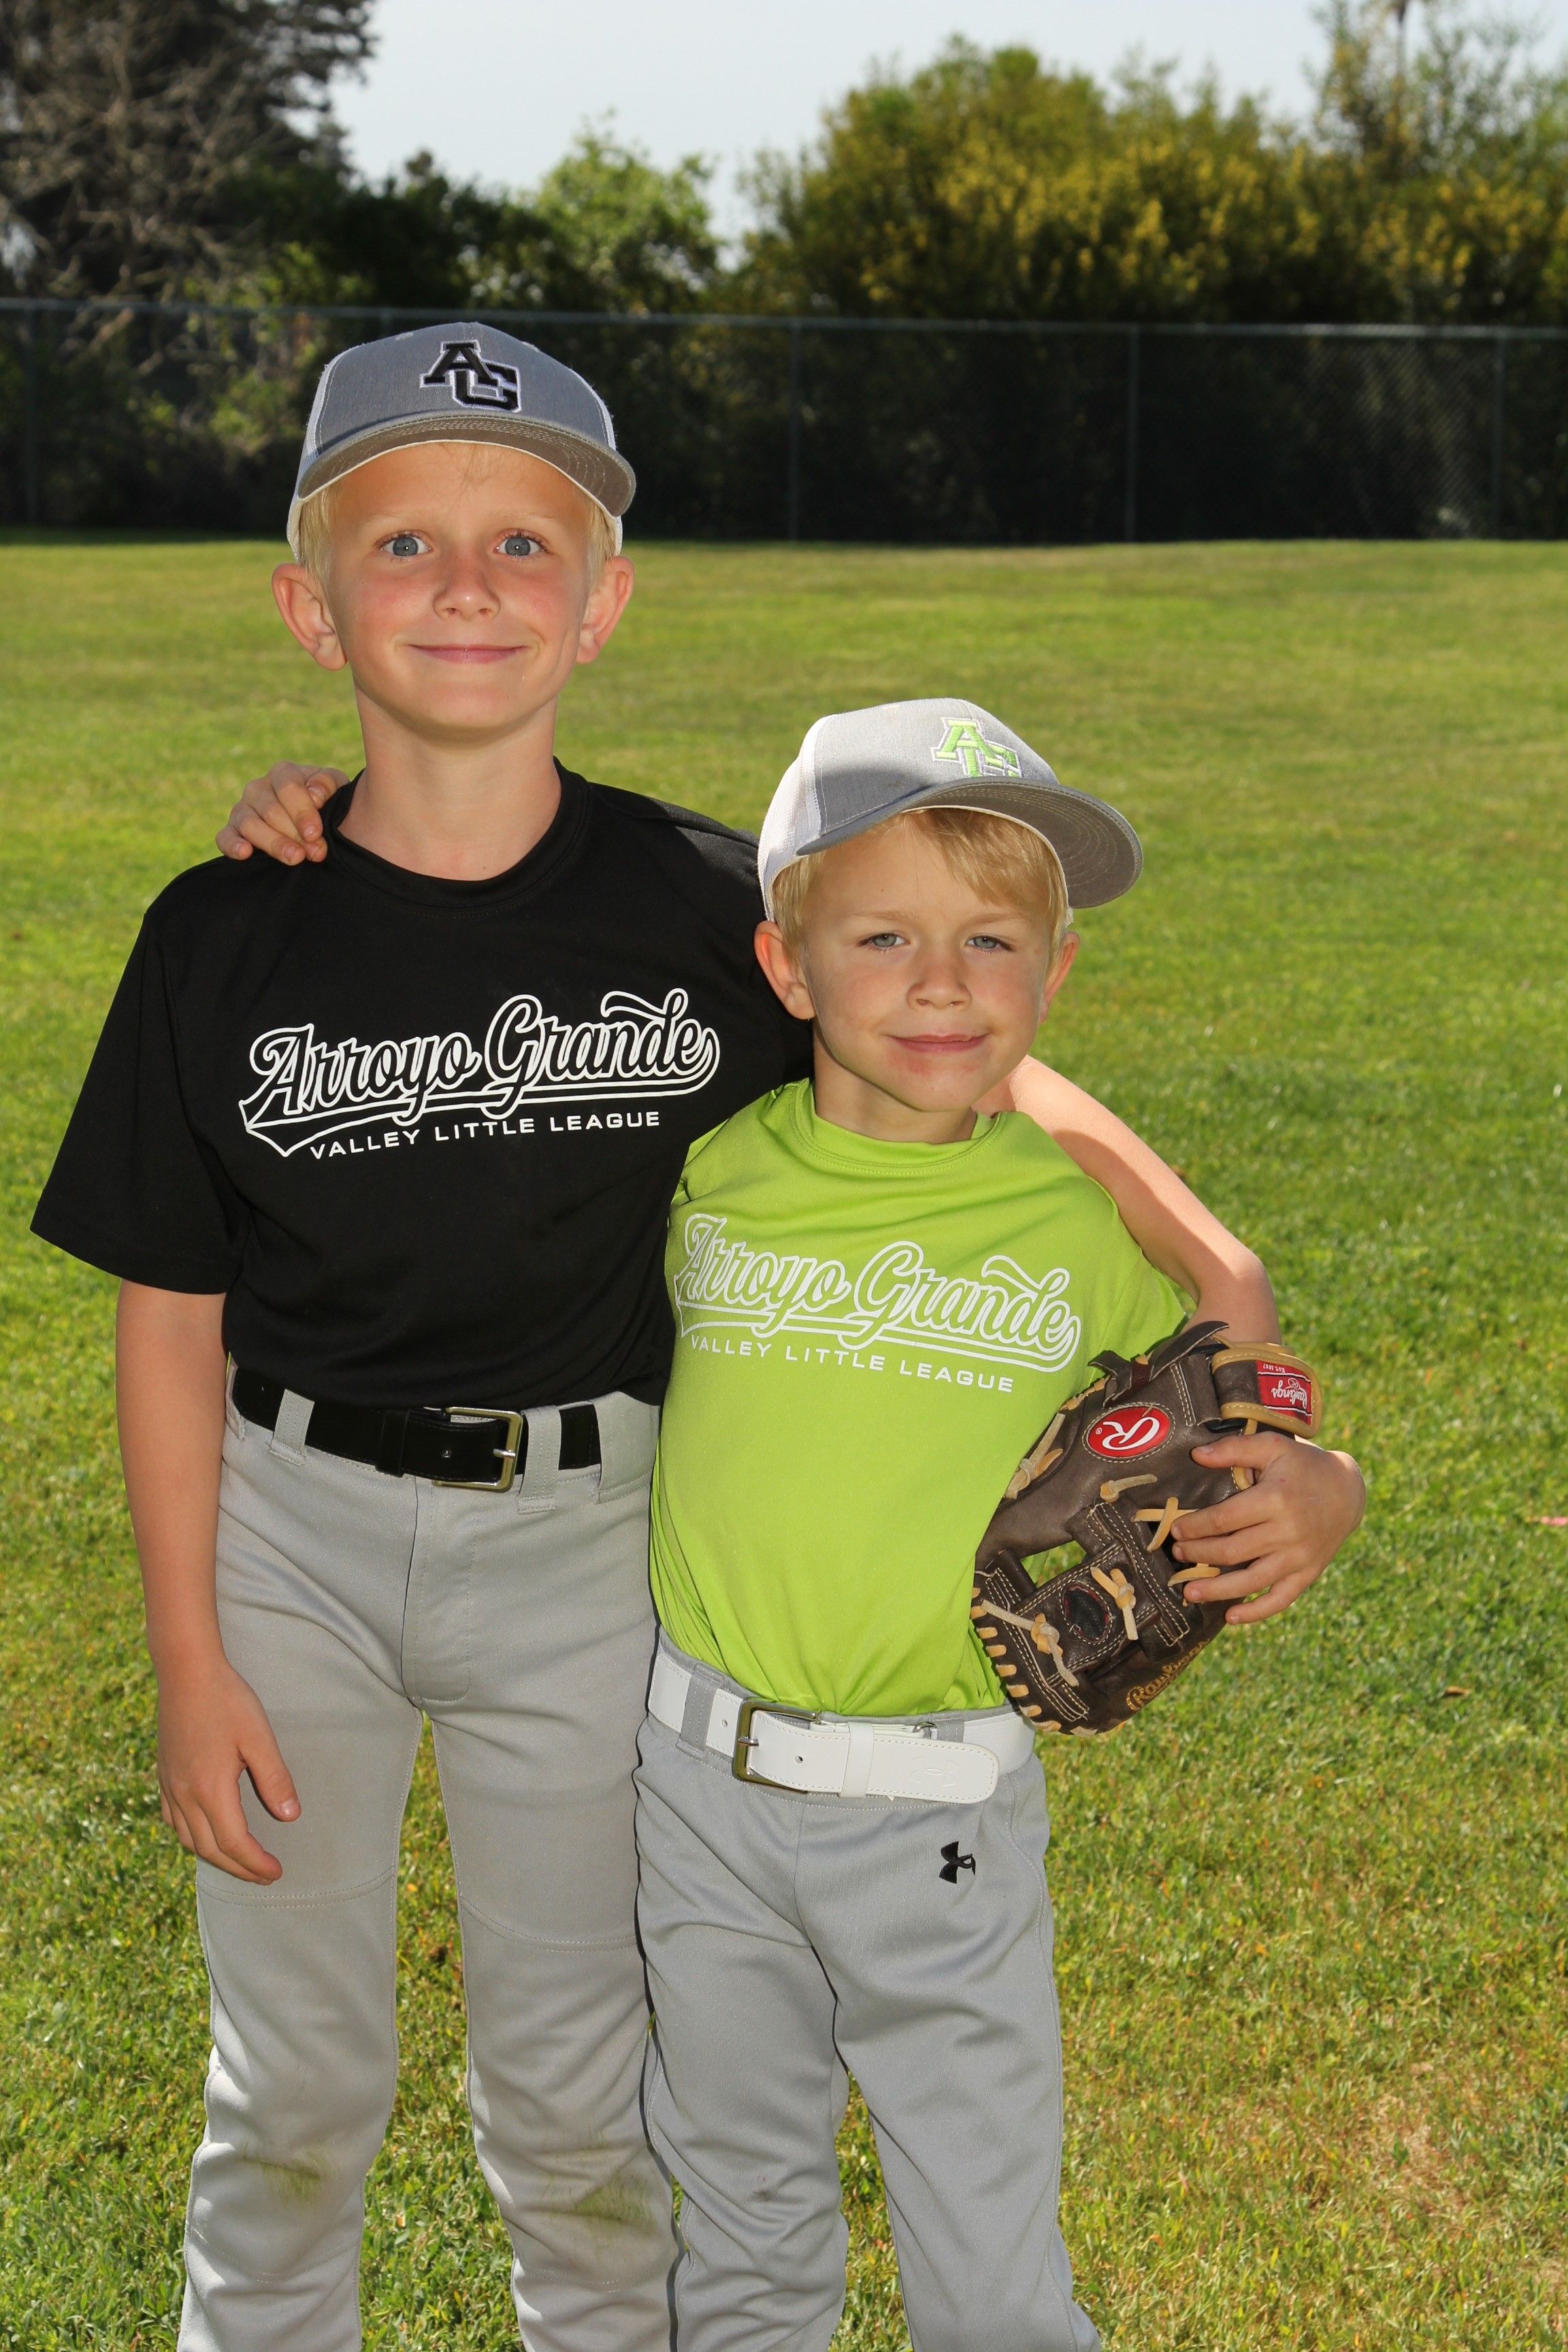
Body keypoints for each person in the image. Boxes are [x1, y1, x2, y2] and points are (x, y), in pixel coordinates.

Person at [33, 319, 1296, 2352]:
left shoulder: (704, 907)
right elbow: (169, 1313)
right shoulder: (226, 927)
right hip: (291, 1541)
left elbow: (954, 1046)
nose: (468, 585)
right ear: (311, 606)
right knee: (291, 2093)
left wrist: (1221, 1276)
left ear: (603, 603)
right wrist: (189, 1656)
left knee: (577, 2104)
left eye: (525, 545)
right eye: (404, 543)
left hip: (585, 1554)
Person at [632, 700, 1365, 2352]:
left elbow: (1235, 1411)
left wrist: (1326, 1479)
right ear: (787, 966)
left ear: (1056, 977)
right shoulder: (707, 1170)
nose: (943, 984)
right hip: (695, 1792)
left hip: (941, 1816)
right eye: (883, 937)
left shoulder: (1074, 1219)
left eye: (993, 942)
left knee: (987, 2273)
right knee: (739, 2233)